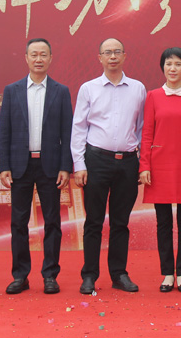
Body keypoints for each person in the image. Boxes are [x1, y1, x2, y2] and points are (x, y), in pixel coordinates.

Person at [0, 38, 73, 295]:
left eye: (43, 54)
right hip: (20, 165)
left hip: (50, 166)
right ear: (26, 58)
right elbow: (4, 131)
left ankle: (50, 275)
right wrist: (4, 165)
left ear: (50, 58)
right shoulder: (12, 90)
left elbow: (67, 132)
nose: (38, 59)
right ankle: (20, 276)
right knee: (18, 222)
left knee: (52, 222)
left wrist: (65, 166)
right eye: (34, 54)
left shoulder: (61, 91)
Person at [71, 38, 146, 294]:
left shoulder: (137, 88)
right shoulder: (88, 88)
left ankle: (119, 274)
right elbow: (79, 128)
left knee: (120, 222)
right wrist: (79, 164)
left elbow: (142, 128)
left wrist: (141, 162)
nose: (112, 56)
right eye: (107, 52)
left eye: (116, 52)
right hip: (96, 161)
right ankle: (89, 275)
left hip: (128, 162)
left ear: (124, 56)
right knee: (93, 221)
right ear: (100, 58)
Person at [139, 47, 181, 294]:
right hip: (160, 166)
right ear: (162, 67)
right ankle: (168, 273)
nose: (172, 68)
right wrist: (144, 166)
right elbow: (147, 133)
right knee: (164, 223)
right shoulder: (153, 96)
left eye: (178, 64)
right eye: (168, 63)